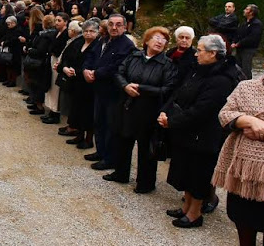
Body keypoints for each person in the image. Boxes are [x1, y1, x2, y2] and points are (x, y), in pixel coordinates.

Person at [158, 35, 239, 228]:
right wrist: (166, 111)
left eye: (200, 50)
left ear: (213, 53)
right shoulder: (199, 70)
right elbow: (180, 92)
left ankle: (195, 213)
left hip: (203, 135)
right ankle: (186, 206)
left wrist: (172, 121)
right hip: (186, 130)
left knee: (198, 174)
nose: (196, 54)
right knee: (185, 169)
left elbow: (203, 110)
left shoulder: (222, 79)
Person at [104, 27, 177, 194]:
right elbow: (119, 72)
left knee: (146, 148)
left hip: (149, 111)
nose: (159, 41)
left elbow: (168, 89)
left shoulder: (167, 64)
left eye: (163, 39)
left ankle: (145, 183)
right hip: (128, 106)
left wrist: (142, 88)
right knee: (123, 140)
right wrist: (125, 86)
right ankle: (121, 173)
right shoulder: (134, 56)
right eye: (156, 37)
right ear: (147, 41)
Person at [212, 54, 264, 245]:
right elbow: (225, 114)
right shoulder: (246, 87)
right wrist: (248, 120)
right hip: (242, 171)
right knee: (243, 221)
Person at [82, 14, 135, 170]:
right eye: (111, 24)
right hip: (98, 89)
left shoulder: (127, 45)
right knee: (99, 122)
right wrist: (86, 69)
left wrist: (95, 73)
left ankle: (109, 158)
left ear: (124, 27)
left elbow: (117, 66)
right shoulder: (103, 40)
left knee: (111, 126)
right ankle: (101, 151)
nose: (114, 27)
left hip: (113, 92)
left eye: (118, 25)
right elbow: (91, 55)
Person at [56, 19, 99, 148]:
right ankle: (79, 135)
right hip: (75, 82)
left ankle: (88, 139)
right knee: (77, 109)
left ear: (97, 33)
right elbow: (66, 57)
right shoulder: (78, 42)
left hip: (88, 84)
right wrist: (65, 68)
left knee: (88, 112)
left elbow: (95, 65)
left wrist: (78, 72)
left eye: (92, 31)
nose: (88, 33)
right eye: (86, 31)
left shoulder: (98, 46)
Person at [232, 4, 263, 80]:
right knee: (237, 67)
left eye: (246, 9)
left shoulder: (257, 24)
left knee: (246, 69)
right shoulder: (244, 23)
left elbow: (252, 38)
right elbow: (238, 33)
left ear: (251, 12)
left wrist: (239, 43)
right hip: (239, 49)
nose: (244, 10)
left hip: (249, 49)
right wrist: (234, 42)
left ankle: (248, 85)